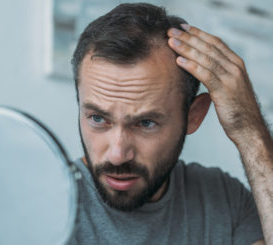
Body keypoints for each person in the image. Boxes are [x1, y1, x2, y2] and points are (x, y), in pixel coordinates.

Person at [68, 3, 272, 244]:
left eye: (146, 123)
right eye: (98, 119)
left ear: (193, 116)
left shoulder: (223, 201)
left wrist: (249, 131)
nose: (117, 155)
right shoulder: (42, 201)